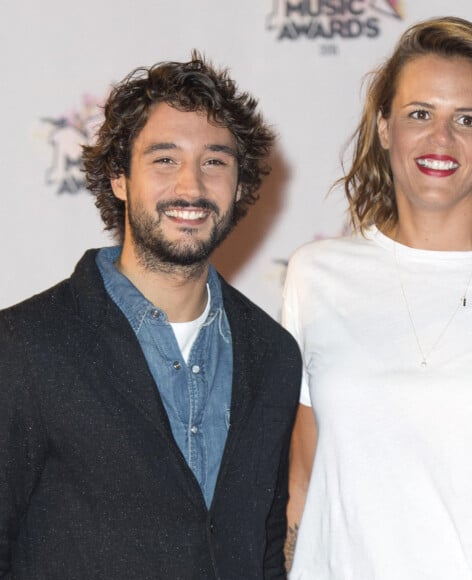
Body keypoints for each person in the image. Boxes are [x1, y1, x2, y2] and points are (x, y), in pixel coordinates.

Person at [282, 16, 472, 579]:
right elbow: (302, 484)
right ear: (384, 127)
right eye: (420, 114)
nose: (441, 139)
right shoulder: (316, 276)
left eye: (466, 119)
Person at [0, 52, 301, 579]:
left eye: (215, 161)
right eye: (165, 159)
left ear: (238, 183)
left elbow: (264, 547)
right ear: (119, 178)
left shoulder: (272, 354)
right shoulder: (25, 345)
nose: (191, 187)